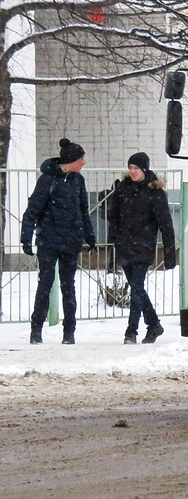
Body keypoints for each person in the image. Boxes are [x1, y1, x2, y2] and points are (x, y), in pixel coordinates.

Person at [20, 138, 96, 345]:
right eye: (81, 159)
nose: (84, 163)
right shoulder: (47, 180)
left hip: (71, 241)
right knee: (45, 284)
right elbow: (32, 210)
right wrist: (26, 237)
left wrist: (90, 235)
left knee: (68, 286)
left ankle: (69, 332)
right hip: (49, 241)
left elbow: (83, 211)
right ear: (71, 160)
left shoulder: (78, 181)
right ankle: (36, 330)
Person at [108, 152, 177, 344]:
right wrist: (114, 238)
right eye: (130, 168)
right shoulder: (123, 189)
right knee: (136, 288)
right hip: (125, 245)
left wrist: (169, 253)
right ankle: (154, 324)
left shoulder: (155, 193)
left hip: (143, 247)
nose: (132, 172)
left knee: (137, 288)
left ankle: (131, 331)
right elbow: (113, 215)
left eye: (136, 168)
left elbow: (166, 225)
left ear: (144, 169)